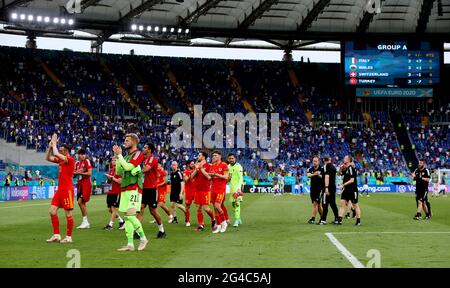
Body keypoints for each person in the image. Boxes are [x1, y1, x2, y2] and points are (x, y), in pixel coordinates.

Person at [113, 133, 148, 252]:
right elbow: (119, 171)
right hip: (125, 189)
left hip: (134, 188)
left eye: (127, 140)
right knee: (127, 218)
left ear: (134, 142)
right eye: (125, 140)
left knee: (131, 215)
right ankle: (130, 244)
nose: (125, 142)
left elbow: (128, 168)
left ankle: (143, 238)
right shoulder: (126, 156)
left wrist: (120, 156)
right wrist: (117, 158)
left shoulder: (138, 154)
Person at [45, 133, 76, 244]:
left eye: (62, 150)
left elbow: (56, 152)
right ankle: (57, 235)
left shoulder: (70, 160)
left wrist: (54, 143)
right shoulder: (61, 160)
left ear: (66, 151)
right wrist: (50, 147)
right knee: (52, 211)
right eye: (60, 150)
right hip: (60, 190)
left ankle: (69, 237)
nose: (60, 152)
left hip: (67, 190)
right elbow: (47, 157)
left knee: (68, 214)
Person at [140, 143, 166, 238]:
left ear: (149, 150)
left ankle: (162, 230)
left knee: (153, 211)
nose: (143, 148)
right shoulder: (145, 159)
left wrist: (135, 171)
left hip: (152, 188)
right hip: (145, 188)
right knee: (140, 208)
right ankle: (138, 232)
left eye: (145, 147)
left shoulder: (152, 159)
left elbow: (147, 169)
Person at [192, 151, 216, 232]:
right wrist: (196, 169)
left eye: (199, 155)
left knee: (206, 208)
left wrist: (201, 169)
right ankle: (201, 225)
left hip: (205, 190)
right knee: (198, 208)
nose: (198, 156)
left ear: (204, 157)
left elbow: (209, 177)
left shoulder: (209, 165)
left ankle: (213, 219)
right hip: (197, 189)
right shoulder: (196, 165)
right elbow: (191, 177)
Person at [337, 156, 361, 226]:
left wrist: (343, 184)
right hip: (346, 190)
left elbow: (352, 180)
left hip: (352, 190)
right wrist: (340, 169)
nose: (343, 159)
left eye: (344, 158)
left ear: (348, 160)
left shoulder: (350, 168)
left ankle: (358, 220)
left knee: (355, 205)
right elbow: (339, 174)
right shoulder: (347, 168)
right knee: (342, 203)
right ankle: (339, 220)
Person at [209, 150, 229, 233]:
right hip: (213, 188)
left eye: (216, 155)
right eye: (213, 155)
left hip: (221, 189)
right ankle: (219, 225)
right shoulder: (212, 166)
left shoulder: (224, 165)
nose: (214, 157)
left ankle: (224, 223)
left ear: (220, 156)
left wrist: (216, 174)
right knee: (215, 208)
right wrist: (210, 175)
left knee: (217, 205)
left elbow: (226, 177)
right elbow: (210, 177)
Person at [103, 156, 125, 230]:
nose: (113, 161)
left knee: (114, 209)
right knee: (110, 209)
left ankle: (110, 225)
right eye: (112, 160)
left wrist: (112, 177)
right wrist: (108, 178)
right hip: (111, 191)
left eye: (115, 160)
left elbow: (120, 181)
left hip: (116, 191)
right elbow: (110, 181)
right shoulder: (111, 170)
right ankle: (121, 221)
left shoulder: (120, 170)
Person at [74, 148, 92, 229]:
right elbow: (74, 173)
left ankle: (85, 221)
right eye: (80, 154)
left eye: (83, 154)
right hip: (80, 185)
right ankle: (85, 222)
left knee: (80, 201)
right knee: (82, 203)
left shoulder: (87, 161)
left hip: (86, 184)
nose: (82, 156)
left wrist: (80, 172)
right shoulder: (77, 163)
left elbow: (89, 173)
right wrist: (75, 173)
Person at [227, 153, 244, 227]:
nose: (231, 160)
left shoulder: (238, 166)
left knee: (237, 203)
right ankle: (239, 218)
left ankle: (236, 220)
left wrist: (239, 188)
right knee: (233, 204)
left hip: (237, 188)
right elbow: (229, 178)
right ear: (228, 159)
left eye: (232, 158)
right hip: (231, 188)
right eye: (230, 158)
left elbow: (241, 178)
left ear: (235, 159)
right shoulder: (228, 167)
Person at [321, 156, 339, 224]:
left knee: (325, 203)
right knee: (333, 204)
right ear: (330, 159)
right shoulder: (333, 167)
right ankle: (337, 219)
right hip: (333, 187)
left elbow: (327, 176)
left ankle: (323, 220)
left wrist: (326, 187)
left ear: (324, 160)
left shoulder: (326, 166)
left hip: (327, 188)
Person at [307, 156, 323, 224]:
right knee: (318, 205)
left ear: (318, 162)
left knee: (315, 203)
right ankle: (323, 218)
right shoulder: (311, 169)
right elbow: (308, 175)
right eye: (313, 161)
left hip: (319, 189)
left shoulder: (322, 169)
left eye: (316, 161)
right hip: (312, 189)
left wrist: (319, 175)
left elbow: (324, 176)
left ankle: (313, 218)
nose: (314, 162)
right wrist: (315, 174)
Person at [183, 160, 196, 227]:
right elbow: (186, 180)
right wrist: (192, 174)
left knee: (199, 206)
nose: (193, 165)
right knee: (187, 206)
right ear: (188, 165)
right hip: (189, 192)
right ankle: (187, 221)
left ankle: (201, 222)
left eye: (194, 164)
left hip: (196, 191)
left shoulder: (196, 171)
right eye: (192, 164)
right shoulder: (185, 172)